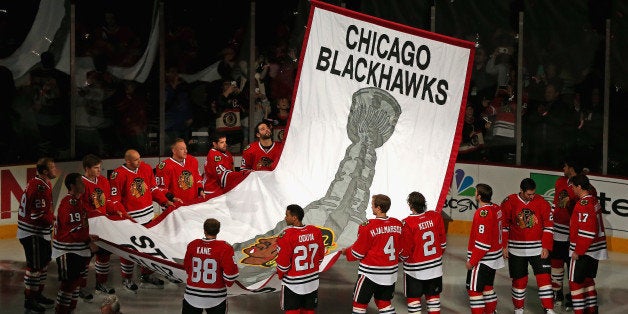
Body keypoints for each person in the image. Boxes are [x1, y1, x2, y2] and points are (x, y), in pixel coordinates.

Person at [109, 149, 176, 289]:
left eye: (139, 158)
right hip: (130, 221)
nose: (139, 161)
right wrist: (122, 213)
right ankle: (127, 279)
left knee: (149, 249)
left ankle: (146, 274)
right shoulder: (118, 174)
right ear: (127, 161)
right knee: (129, 251)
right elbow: (115, 200)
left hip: (148, 218)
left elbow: (153, 189)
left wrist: (164, 201)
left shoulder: (145, 168)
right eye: (135, 160)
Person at [501, 178, 555, 314]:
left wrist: (546, 246)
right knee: (519, 281)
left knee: (545, 279)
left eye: (533, 194)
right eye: (528, 194)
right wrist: (504, 246)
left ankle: (548, 308)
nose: (531, 197)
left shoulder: (541, 202)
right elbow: (504, 226)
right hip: (516, 249)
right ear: (521, 190)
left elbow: (549, 226)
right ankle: (518, 309)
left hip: (538, 248)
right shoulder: (509, 202)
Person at [341, 194, 403, 314]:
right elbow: (400, 249)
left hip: (369, 275)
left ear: (378, 208)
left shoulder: (368, 226)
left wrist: (346, 252)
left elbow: (358, 253)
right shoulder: (397, 224)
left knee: (359, 306)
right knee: (384, 304)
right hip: (390, 274)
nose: (371, 207)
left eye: (372, 205)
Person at [80, 154, 125, 299]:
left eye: (100, 167)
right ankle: (80, 287)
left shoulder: (104, 181)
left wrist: (115, 209)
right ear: (87, 168)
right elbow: (81, 209)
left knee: (104, 257)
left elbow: (107, 202)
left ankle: (101, 283)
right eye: (95, 168)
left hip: (102, 227)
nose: (99, 170)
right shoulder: (81, 184)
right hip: (88, 228)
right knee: (85, 260)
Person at [16, 157, 57, 312]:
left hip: (38, 233)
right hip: (32, 233)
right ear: (45, 171)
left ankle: (37, 294)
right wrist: (58, 223)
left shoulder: (42, 183)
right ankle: (29, 299)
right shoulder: (39, 187)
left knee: (43, 263)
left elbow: (43, 211)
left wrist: (52, 217)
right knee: (34, 267)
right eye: (52, 167)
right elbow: (37, 216)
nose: (55, 169)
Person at [52, 173, 94, 314]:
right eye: (80, 183)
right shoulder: (69, 203)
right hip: (68, 251)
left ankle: (70, 310)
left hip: (77, 250)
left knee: (76, 282)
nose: (84, 185)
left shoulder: (77, 201)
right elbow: (74, 231)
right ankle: (62, 311)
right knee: (69, 285)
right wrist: (90, 240)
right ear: (72, 186)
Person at [399, 192, 446, 314]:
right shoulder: (435, 216)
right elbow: (442, 243)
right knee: (433, 299)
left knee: (414, 300)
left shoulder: (407, 223)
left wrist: (398, 259)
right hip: (435, 267)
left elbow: (406, 250)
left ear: (410, 205)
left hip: (415, 270)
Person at [568, 174, 608, 314]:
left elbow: (587, 232)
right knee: (588, 281)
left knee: (575, 283)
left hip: (584, 250)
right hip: (595, 250)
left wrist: (578, 251)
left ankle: (580, 312)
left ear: (579, 187)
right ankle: (591, 310)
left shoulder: (583, 204)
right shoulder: (593, 200)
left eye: (573, 186)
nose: (572, 189)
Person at [182, 218, 239, 314]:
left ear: (204, 230)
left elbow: (187, 267)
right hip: (216, 298)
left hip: (192, 296)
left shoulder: (192, 245)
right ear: (218, 231)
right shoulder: (225, 248)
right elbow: (230, 276)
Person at [276, 204, 325, 314]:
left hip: (293, 284)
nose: (285, 218)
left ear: (294, 218)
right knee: (309, 311)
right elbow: (320, 257)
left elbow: (283, 265)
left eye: (287, 215)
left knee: (292, 311)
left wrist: (280, 274)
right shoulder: (315, 231)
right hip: (312, 281)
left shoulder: (286, 235)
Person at [466, 184, 505, 314]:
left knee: (474, 290)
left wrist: (472, 261)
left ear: (479, 196)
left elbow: (483, 244)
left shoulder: (483, 213)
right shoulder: (496, 208)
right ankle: (491, 311)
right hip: (493, 259)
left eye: (476, 192)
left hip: (483, 260)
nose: (475, 193)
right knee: (487, 288)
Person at [551, 159, 584, 307]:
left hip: (573, 233)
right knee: (556, 262)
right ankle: (557, 291)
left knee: (573, 265)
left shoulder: (582, 185)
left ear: (570, 167)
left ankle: (573, 295)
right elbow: (555, 203)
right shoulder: (560, 181)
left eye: (564, 165)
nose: (562, 168)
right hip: (558, 230)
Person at [155, 138, 204, 204]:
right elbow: (160, 188)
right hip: (175, 206)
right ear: (174, 151)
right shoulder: (164, 166)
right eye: (182, 149)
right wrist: (172, 198)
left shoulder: (192, 160)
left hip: (193, 203)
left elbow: (197, 178)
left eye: (185, 148)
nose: (185, 151)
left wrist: (200, 191)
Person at [203, 132, 249, 197]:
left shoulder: (227, 153)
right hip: (212, 191)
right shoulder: (214, 155)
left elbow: (232, 170)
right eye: (221, 142)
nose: (225, 144)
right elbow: (224, 174)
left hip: (222, 190)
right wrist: (243, 174)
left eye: (225, 142)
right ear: (214, 144)